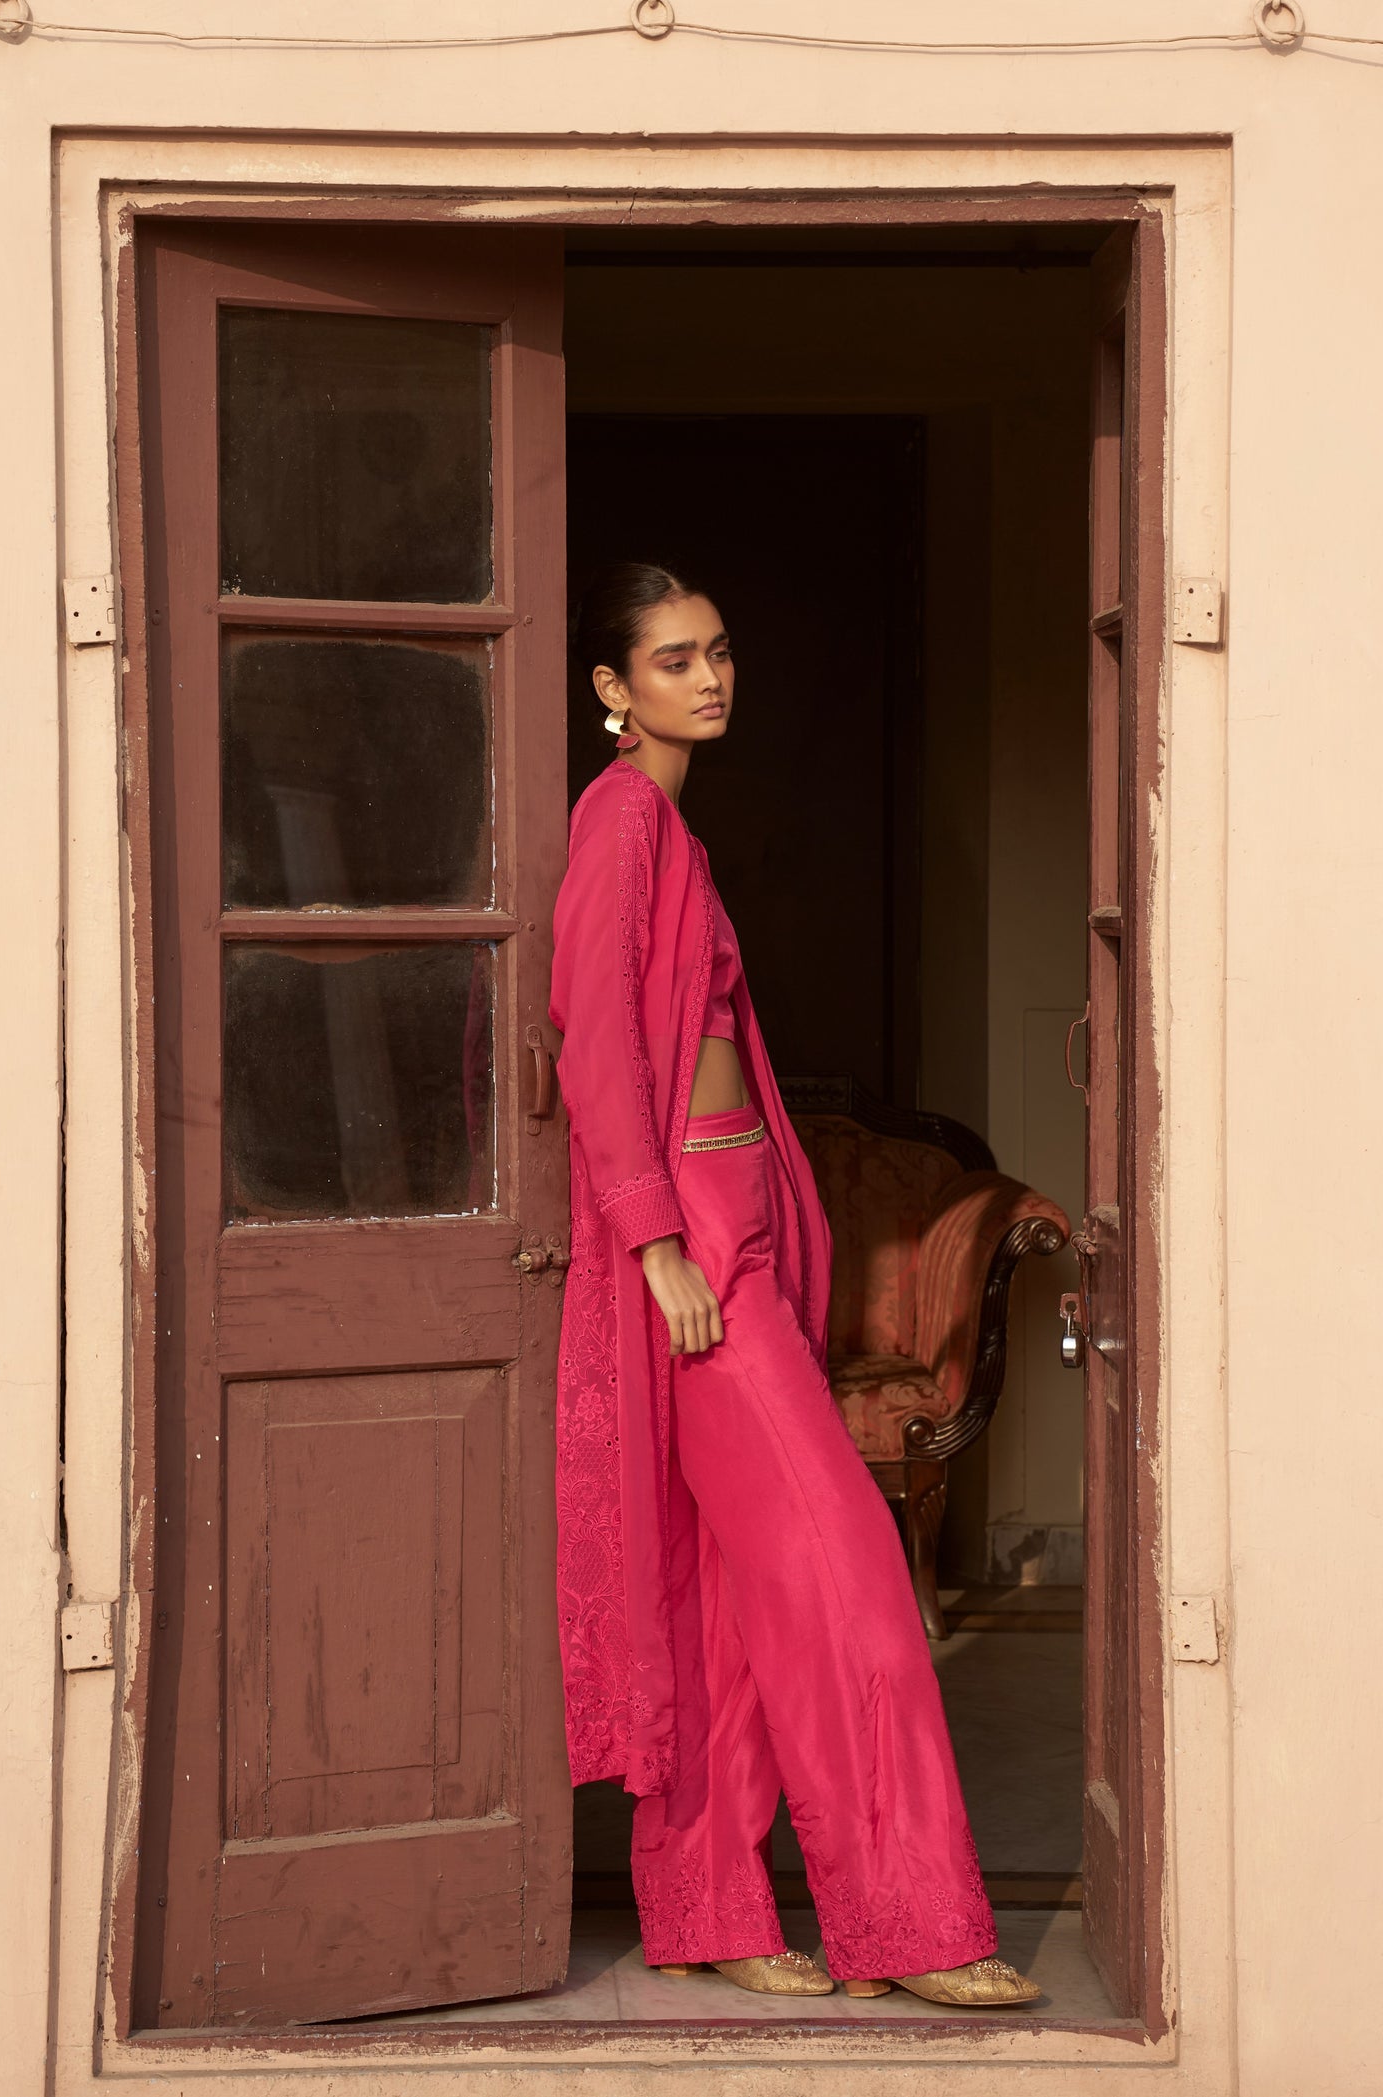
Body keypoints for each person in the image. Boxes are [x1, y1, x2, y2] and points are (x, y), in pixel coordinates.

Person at [548, 562, 1041, 2008]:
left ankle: (708, 1906)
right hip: (697, 1255)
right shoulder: (624, 821)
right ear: (611, 689)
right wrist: (656, 1245)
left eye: (720, 651)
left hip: (739, 1234)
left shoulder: (669, 829)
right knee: (848, 1578)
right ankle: (920, 1923)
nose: (712, 677)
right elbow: (591, 1050)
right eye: (676, 659)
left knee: (735, 1597)